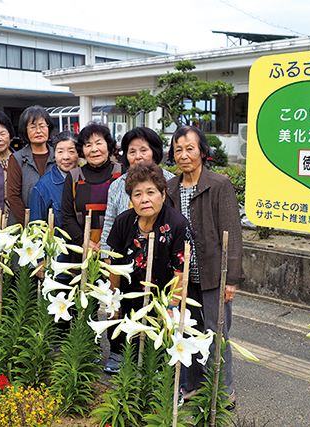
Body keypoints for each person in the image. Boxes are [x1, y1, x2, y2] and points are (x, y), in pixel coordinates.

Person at [165, 125, 244, 404]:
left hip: (213, 275)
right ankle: (195, 387)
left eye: (190, 149)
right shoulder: (170, 187)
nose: (184, 155)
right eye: (178, 150)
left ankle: (224, 392)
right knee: (188, 332)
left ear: (202, 151)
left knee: (216, 333)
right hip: (182, 277)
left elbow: (232, 233)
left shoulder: (218, 184)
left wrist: (231, 278)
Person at [105, 161, 197, 374]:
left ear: (163, 195)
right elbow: (115, 264)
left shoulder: (177, 224)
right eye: (137, 194)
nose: (144, 199)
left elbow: (180, 272)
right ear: (131, 199)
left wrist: (171, 309)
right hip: (130, 294)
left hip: (163, 298)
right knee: (128, 344)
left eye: (150, 192)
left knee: (158, 353)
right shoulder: (123, 222)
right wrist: (114, 297)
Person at [100, 126, 176, 252]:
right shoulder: (117, 185)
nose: (138, 156)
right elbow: (109, 223)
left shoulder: (171, 182)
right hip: (125, 254)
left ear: (154, 152)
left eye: (143, 150)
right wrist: (106, 254)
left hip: (162, 254)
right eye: (132, 152)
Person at [61, 123, 123, 254]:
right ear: (82, 150)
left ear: (108, 145)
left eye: (99, 143)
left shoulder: (122, 173)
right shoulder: (74, 176)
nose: (94, 149)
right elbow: (67, 216)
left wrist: (107, 241)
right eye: (88, 145)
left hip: (116, 249)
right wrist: (84, 241)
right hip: (81, 251)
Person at [7, 105, 56, 225]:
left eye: (42, 126)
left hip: (56, 226)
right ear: (25, 130)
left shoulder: (58, 157)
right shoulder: (17, 159)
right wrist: (31, 225)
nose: (38, 131)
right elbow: (13, 196)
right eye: (33, 127)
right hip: (23, 227)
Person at [28, 130, 79, 229]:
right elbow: (36, 229)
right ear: (54, 154)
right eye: (60, 152)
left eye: (71, 151)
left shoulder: (87, 180)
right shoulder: (42, 187)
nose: (65, 157)